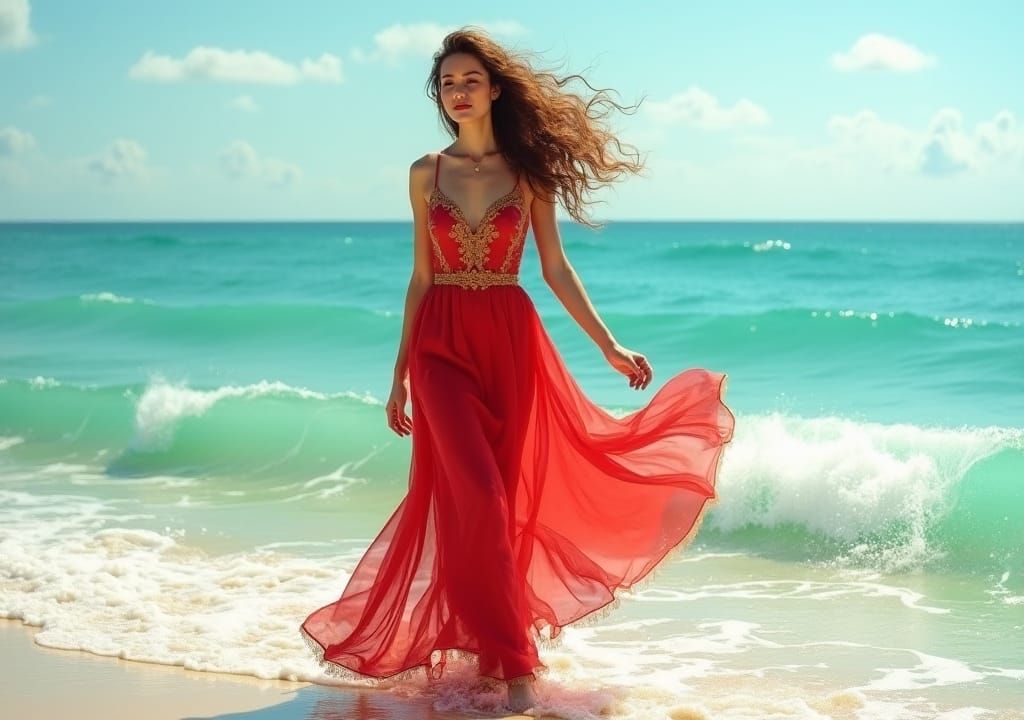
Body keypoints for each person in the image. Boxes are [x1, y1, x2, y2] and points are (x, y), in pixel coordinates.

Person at [300, 26, 736, 714]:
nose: (459, 92)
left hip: (511, 340)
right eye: (447, 83)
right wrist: (399, 374)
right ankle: (515, 667)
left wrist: (607, 345)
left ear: (495, 89)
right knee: (474, 492)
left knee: (497, 510)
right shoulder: (425, 172)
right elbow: (420, 275)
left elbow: (556, 268)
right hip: (440, 344)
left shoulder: (527, 173)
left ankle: (487, 638)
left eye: (470, 79)